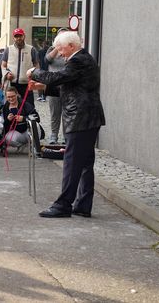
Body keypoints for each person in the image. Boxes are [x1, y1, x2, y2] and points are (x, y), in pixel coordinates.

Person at [29, 31, 106, 218]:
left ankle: (63, 205)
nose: (59, 52)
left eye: (60, 48)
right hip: (87, 118)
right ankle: (82, 205)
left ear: (71, 46)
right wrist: (44, 88)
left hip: (80, 118)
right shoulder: (83, 59)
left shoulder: (78, 60)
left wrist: (35, 72)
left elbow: (58, 78)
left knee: (72, 162)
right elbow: (70, 88)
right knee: (85, 163)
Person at [2, 28, 39, 105]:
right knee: (13, 106)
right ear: (13, 38)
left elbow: (36, 66)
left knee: (29, 106)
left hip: (27, 84)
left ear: (24, 36)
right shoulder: (8, 49)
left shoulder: (31, 49)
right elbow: (3, 65)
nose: (18, 38)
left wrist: (35, 78)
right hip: (12, 84)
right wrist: (6, 74)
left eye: (20, 36)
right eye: (16, 36)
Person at [45, 29, 69, 144]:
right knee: (55, 112)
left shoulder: (70, 50)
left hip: (66, 86)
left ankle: (66, 136)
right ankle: (54, 135)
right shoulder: (51, 49)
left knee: (66, 112)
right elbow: (47, 60)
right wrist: (57, 47)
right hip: (53, 85)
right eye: (60, 37)